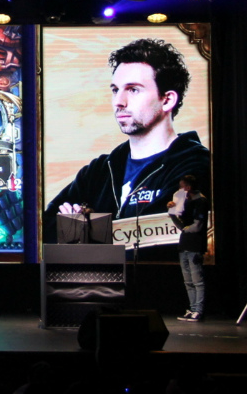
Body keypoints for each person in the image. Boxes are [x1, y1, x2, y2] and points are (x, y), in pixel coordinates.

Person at [44, 38, 210, 245]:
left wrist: (81, 229)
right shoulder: (99, 170)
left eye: (133, 89)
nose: (118, 102)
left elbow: (161, 239)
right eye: (115, 90)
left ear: (167, 100)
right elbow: (45, 230)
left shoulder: (197, 166)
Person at [167, 175, 210, 321]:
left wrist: (186, 229)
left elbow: (198, 226)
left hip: (195, 245)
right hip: (184, 244)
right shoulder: (184, 202)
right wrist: (172, 212)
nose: (179, 189)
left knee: (197, 279)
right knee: (188, 280)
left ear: (188, 187)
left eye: (181, 186)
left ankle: (199, 310)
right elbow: (181, 225)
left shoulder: (201, 201)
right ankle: (192, 309)